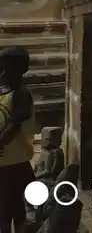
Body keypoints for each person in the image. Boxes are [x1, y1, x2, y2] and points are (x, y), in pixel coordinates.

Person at [0, 46, 36, 233]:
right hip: (5, 161)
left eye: (6, 68)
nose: (2, 72)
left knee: (11, 206)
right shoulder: (3, 91)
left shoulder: (21, 95)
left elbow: (13, 126)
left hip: (15, 160)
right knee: (7, 206)